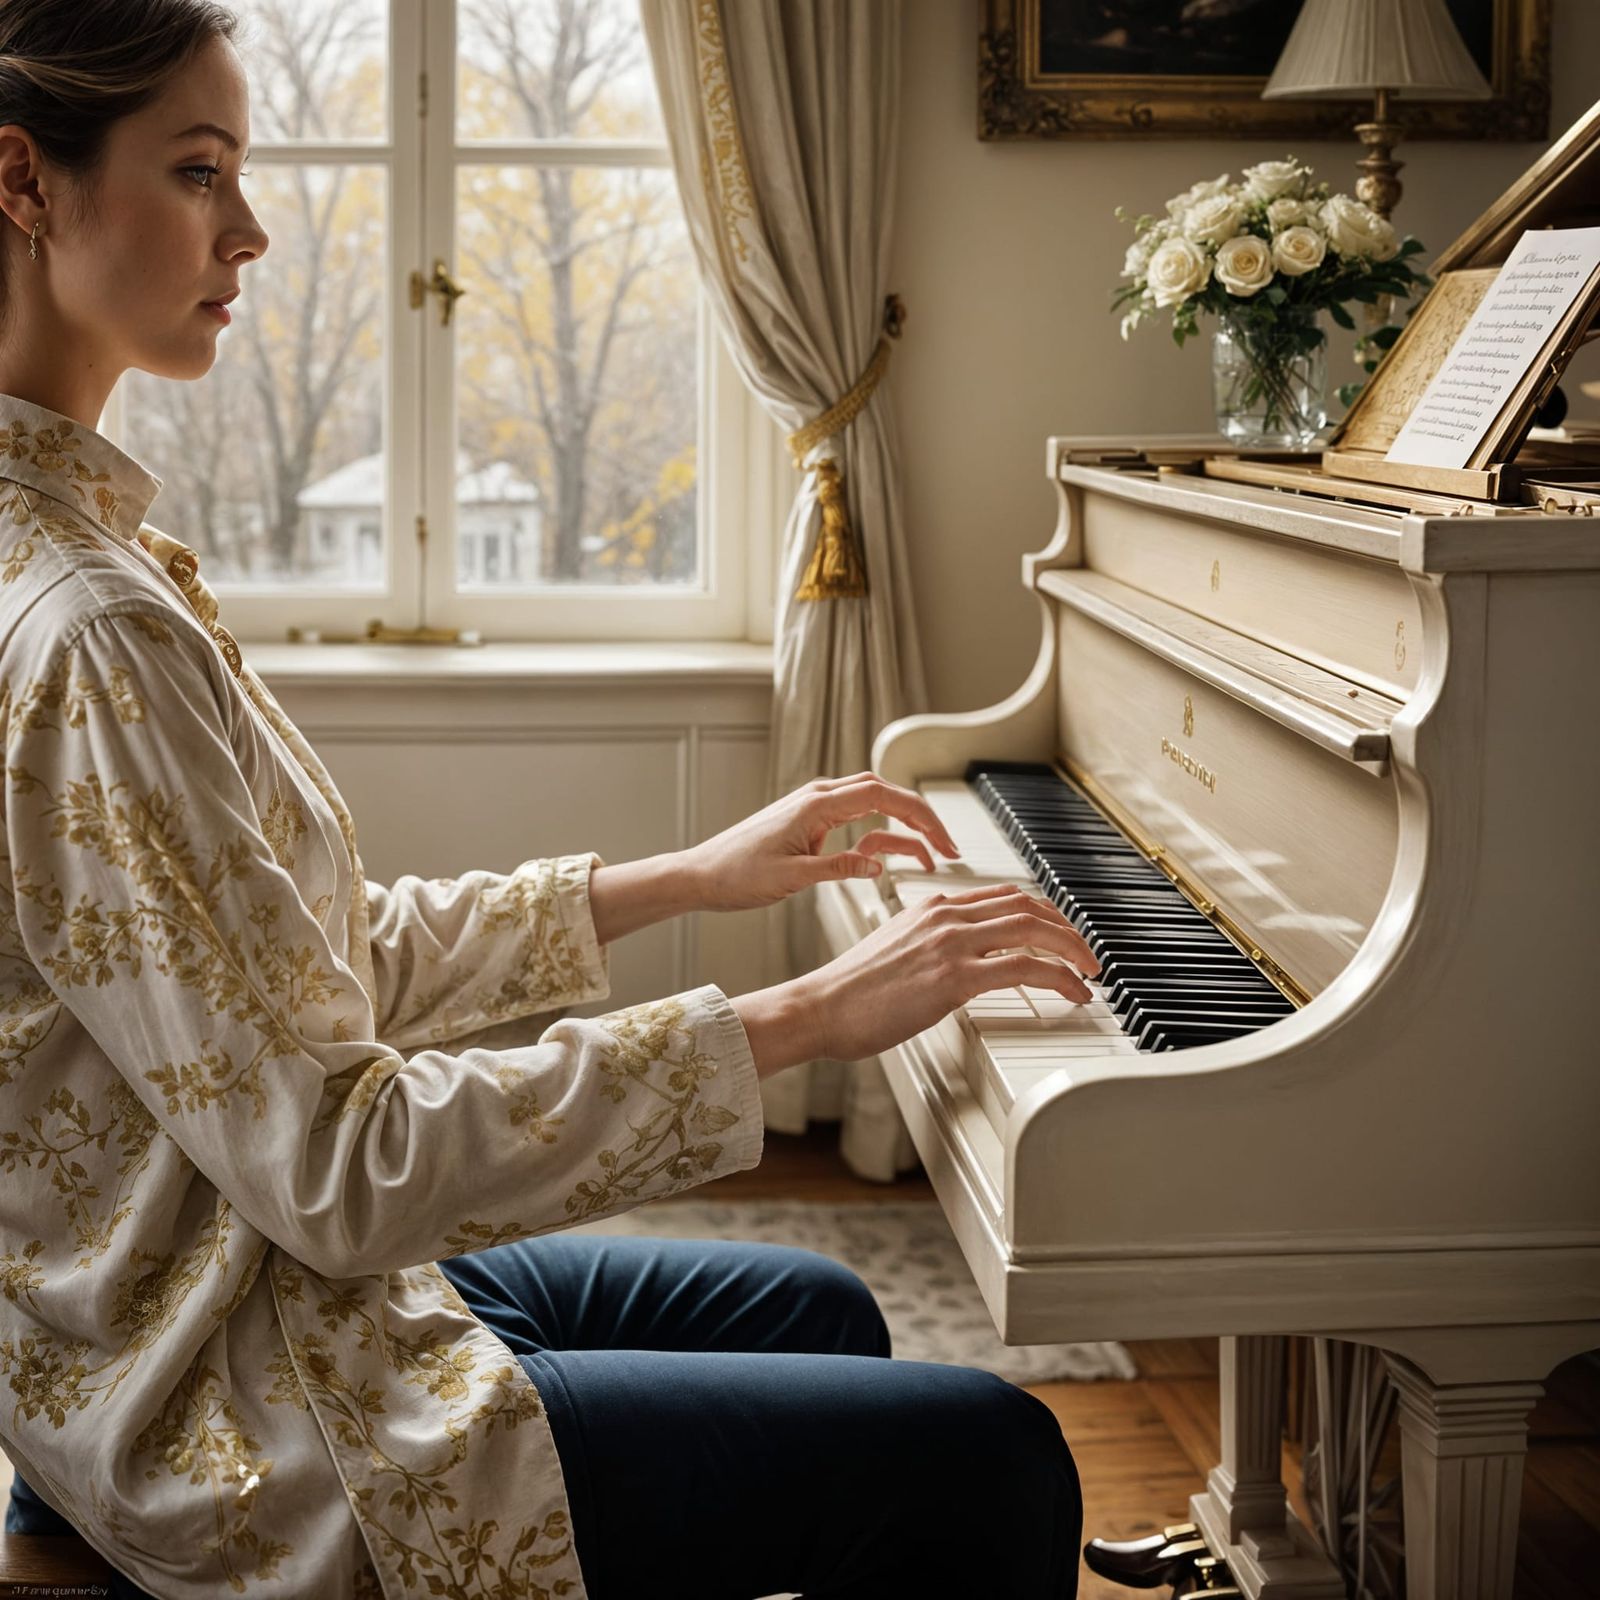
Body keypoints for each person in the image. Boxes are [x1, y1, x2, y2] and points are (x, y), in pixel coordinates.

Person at [0, 3, 1098, 1596]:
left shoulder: (84, 551)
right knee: (992, 1459)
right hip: (240, 1398)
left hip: (264, 1287)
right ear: (24, 182)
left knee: (826, 1316)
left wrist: (684, 879)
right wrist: (798, 1016)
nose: (247, 229)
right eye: (197, 171)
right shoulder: (90, 624)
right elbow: (336, 1163)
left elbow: (298, 972)